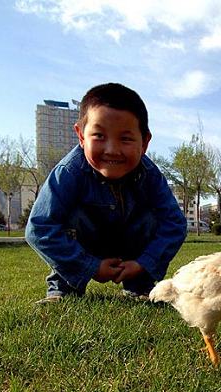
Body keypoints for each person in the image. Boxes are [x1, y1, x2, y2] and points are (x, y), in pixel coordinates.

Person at [26, 83, 187, 303]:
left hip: (132, 247)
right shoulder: (69, 172)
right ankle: (63, 289)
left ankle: (140, 286)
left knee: (152, 218)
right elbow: (40, 227)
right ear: (81, 136)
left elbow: (175, 224)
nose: (112, 150)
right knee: (69, 217)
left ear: (145, 142)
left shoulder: (150, 175)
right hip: (83, 242)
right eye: (99, 136)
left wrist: (144, 262)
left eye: (126, 139)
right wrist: (90, 266)